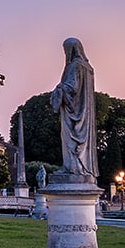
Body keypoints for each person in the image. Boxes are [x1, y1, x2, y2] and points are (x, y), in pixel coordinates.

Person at [50, 38, 97, 179]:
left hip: (72, 109)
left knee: (69, 139)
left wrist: (59, 89)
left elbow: (72, 88)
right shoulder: (88, 68)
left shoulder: (74, 66)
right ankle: (80, 166)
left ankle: (72, 167)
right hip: (84, 112)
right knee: (80, 141)